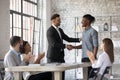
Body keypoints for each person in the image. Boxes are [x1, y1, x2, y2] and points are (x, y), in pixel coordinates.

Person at [47, 14, 80, 80]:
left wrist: (79, 39)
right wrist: (65, 46)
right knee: (54, 77)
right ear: (53, 21)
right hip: (53, 57)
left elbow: (68, 38)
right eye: (58, 20)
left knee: (62, 75)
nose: (60, 22)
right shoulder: (50, 31)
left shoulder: (60, 30)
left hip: (60, 57)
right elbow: (53, 44)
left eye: (60, 20)